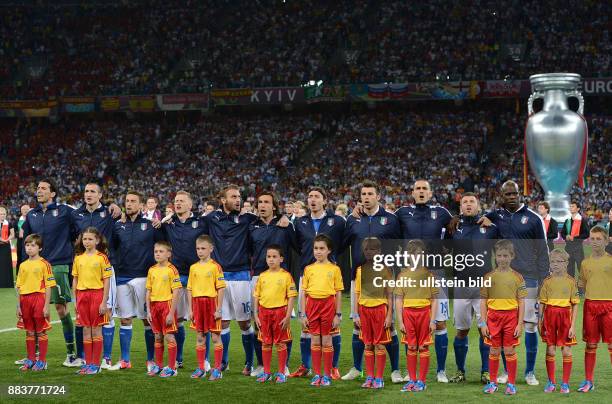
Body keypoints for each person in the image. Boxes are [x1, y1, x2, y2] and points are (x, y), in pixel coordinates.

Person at [479, 180, 549, 385]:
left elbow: (543, 251)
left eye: (514, 194)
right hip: (503, 278)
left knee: (529, 326)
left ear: (520, 194)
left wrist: (545, 280)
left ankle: (529, 372)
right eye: (507, 194)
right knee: (502, 326)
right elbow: (475, 220)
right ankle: (508, 372)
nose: (511, 197)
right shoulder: (496, 216)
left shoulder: (534, 219)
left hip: (529, 278)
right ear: (501, 195)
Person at [343, 181, 402, 383]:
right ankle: (357, 368)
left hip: (384, 280)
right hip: (359, 280)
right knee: (358, 324)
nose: (366, 197)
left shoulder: (391, 220)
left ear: (378, 196)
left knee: (389, 324)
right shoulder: (352, 220)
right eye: (363, 194)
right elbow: (343, 244)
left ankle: (395, 370)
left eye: (370, 193)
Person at [395, 179, 452, 383]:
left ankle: (441, 370)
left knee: (440, 322)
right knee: (407, 322)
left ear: (430, 193)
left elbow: (458, 228)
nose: (420, 191)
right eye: (417, 189)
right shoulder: (402, 213)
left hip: (435, 272)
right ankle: (411, 371)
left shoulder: (442, 213)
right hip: (409, 274)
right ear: (412, 192)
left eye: (424, 189)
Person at [22, 179, 79, 367]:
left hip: (58, 266)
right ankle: (34, 355)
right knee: (35, 311)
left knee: (61, 309)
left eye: (43, 188)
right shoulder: (32, 215)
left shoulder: (66, 211)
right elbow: (28, 241)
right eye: (38, 188)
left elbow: (78, 229)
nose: (39, 191)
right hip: (35, 268)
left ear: (53, 193)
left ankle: (72, 353)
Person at [291, 187, 345, 379]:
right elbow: (296, 245)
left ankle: (333, 367)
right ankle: (307, 366)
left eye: (316, 197)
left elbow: (344, 241)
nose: (312, 200)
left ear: (325, 200)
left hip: (329, 277)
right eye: (310, 196)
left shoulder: (337, 221)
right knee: (307, 327)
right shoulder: (300, 222)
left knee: (331, 329)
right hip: (308, 276)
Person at [110, 191, 164, 371]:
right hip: (122, 277)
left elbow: (162, 249)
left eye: (133, 201)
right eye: (127, 201)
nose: (130, 204)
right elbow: (113, 249)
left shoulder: (151, 226)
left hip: (143, 277)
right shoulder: (118, 226)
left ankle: (151, 360)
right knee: (125, 319)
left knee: (147, 320)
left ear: (141, 205)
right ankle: (125, 359)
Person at [448, 193, 499, 384]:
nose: (468, 205)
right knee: (461, 330)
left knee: (484, 330)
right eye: (465, 202)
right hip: (461, 285)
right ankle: (460, 372)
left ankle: (486, 372)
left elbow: (504, 251)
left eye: (472, 202)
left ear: (478, 206)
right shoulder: (453, 228)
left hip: (483, 287)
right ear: (460, 206)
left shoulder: (490, 228)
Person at [71, 181, 120, 369]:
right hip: (85, 276)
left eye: (92, 191)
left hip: (104, 273)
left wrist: (117, 206)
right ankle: (88, 360)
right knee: (86, 326)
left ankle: (105, 358)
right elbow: (72, 236)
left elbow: (122, 218)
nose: (88, 194)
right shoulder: (76, 215)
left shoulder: (109, 213)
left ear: (100, 195)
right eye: (86, 191)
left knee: (107, 315)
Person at [249, 191, 296, 376]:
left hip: (281, 279)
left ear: (274, 206)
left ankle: (284, 365)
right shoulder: (252, 227)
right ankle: (261, 364)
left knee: (283, 324)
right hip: (258, 277)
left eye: (266, 202)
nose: (262, 205)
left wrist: (289, 223)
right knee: (259, 323)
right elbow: (248, 250)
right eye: (260, 202)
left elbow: (297, 246)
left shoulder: (284, 225)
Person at [159, 191, 208, 370]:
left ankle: (206, 359)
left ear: (190, 204)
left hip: (198, 275)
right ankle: (178, 358)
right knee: (177, 319)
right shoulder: (168, 224)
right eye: (176, 201)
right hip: (177, 275)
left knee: (202, 320)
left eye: (182, 201)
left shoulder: (202, 222)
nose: (178, 204)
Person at [480, 240, 526, 395]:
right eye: (499, 255)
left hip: (511, 317)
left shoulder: (518, 277)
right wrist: (483, 322)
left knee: (509, 350)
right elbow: (483, 301)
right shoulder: (488, 277)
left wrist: (520, 324)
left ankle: (511, 384)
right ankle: (492, 383)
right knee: (493, 350)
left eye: (505, 255)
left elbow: (521, 302)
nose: (502, 259)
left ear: (512, 256)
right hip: (493, 317)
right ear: (495, 256)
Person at [394, 239, 439, 393]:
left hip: (424, 313)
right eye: (413, 254)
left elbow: (434, 300)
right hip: (408, 314)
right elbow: (398, 300)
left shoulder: (429, 275)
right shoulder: (402, 275)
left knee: (423, 347)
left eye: (419, 254)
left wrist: (433, 320)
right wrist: (400, 321)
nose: (416, 257)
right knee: (411, 347)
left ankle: (422, 381)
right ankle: (412, 380)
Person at [300, 234, 343, 387]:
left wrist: (338, 314)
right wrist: (303, 314)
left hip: (328, 306)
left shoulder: (335, 269)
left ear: (329, 250)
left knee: (326, 340)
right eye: (316, 248)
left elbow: (338, 292)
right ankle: (317, 374)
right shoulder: (308, 269)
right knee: (315, 340)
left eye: (322, 248)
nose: (318, 251)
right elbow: (303, 293)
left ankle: (326, 375)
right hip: (312, 306)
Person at [253, 245, 297, 384]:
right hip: (264, 313)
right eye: (268, 257)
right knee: (266, 343)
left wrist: (288, 315)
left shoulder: (286, 276)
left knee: (280, 343)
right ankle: (266, 372)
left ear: (281, 259)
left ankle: (281, 372)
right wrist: (255, 314)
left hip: (280, 312)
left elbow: (291, 297)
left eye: (274, 257)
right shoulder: (262, 276)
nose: (271, 260)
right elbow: (256, 296)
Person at [576, 226, 612, 393]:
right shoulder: (585, 263)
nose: (595, 242)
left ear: (606, 241)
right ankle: (588, 381)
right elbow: (582, 284)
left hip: (609, 306)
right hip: (590, 306)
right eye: (592, 238)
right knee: (590, 345)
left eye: (599, 239)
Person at [354, 237, 393, 389]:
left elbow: (390, 294)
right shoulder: (360, 270)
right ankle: (369, 377)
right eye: (367, 250)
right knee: (368, 345)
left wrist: (389, 315)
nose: (370, 252)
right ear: (364, 252)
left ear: (379, 252)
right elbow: (357, 294)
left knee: (379, 345)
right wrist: (356, 314)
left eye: (373, 249)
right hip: (364, 311)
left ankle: (379, 378)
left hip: (380, 310)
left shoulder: (385, 270)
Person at [71, 227, 112, 375]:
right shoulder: (78, 258)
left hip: (97, 295)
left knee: (96, 329)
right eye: (84, 239)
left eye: (90, 239)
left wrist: (104, 301)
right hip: (82, 296)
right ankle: (88, 364)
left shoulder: (102, 258)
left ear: (97, 240)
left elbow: (107, 281)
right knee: (86, 330)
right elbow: (75, 279)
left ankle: (96, 364)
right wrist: (75, 299)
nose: (86, 242)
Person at [538, 249, 579, 394]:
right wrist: (539, 320)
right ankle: (551, 382)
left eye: (558, 262)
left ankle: (565, 384)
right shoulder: (546, 282)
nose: (555, 264)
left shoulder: (571, 281)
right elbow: (542, 303)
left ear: (566, 263)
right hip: (549, 317)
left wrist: (573, 326)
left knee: (567, 350)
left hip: (565, 318)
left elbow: (574, 304)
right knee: (550, 349)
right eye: (552, 262)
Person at [187, 235, 226, 381]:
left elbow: (221, 288)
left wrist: (219, 308)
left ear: (211, 249)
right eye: (198, 248)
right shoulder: (193, 267)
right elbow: (189, 289)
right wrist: (190, 309)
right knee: (200, 337)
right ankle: (201, 368)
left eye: (203, 248)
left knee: (215, 337)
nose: (200, 251)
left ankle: (217, 369)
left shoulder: (216, 267)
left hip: (211, 304)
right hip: (197, 304)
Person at [15, 234, 55, 371]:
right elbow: (19, 286)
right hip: (25, 300)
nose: (29, 248)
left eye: (33, 245)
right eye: (27, 245)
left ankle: (42, 361)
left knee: (41, 331)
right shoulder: (22, 265)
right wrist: (18, 305)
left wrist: (46, 305)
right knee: (29, 332)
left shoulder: (45, 264)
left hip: (39, 298)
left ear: (40, 248)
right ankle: (31, 360)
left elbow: (49, 285)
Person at [146, 241, 181, 377]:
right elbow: (148, 291)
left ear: (168, 254)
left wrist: (171, 313)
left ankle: (172, 368)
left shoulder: (172, 270)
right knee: (158, 336)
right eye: (156, 252)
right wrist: (148, 310)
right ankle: (159, 366)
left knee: (169, 336)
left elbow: (176, 292)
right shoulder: (152, 270)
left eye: (161, 251)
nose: (158, 254)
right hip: (154, 306)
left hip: (167, 305)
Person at [562, 201, 590, 277]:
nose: (571, 208)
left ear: (578, 209)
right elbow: (562, 233)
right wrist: (566, 236)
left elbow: (587, 234)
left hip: (578, 248)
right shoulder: (567, 220)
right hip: (568, 247)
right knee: (569, 269)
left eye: (573, 206)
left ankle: (583, 287)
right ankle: (571, 286)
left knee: (581, 268)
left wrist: (574, 238)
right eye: (570, 206)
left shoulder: (582, 220)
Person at [0, 205, 15, 287]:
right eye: (1, 214)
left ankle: (7, 283)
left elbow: (12, 234)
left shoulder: (9, 223)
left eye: (4, 214)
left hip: (5, 246)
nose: (2, 215)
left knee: (6, 264)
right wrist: (2, 239)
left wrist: (7, 239)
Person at [15, 204, 31, 270]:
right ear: (21, 211)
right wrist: (18, 234)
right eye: (23, 209)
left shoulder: (32, 219)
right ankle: (18, 274)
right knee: (19, 258)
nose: (25, 211)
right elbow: (14, 231)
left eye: (27, 209)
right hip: (20, 242)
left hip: (30, 241)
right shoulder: (17, 220)